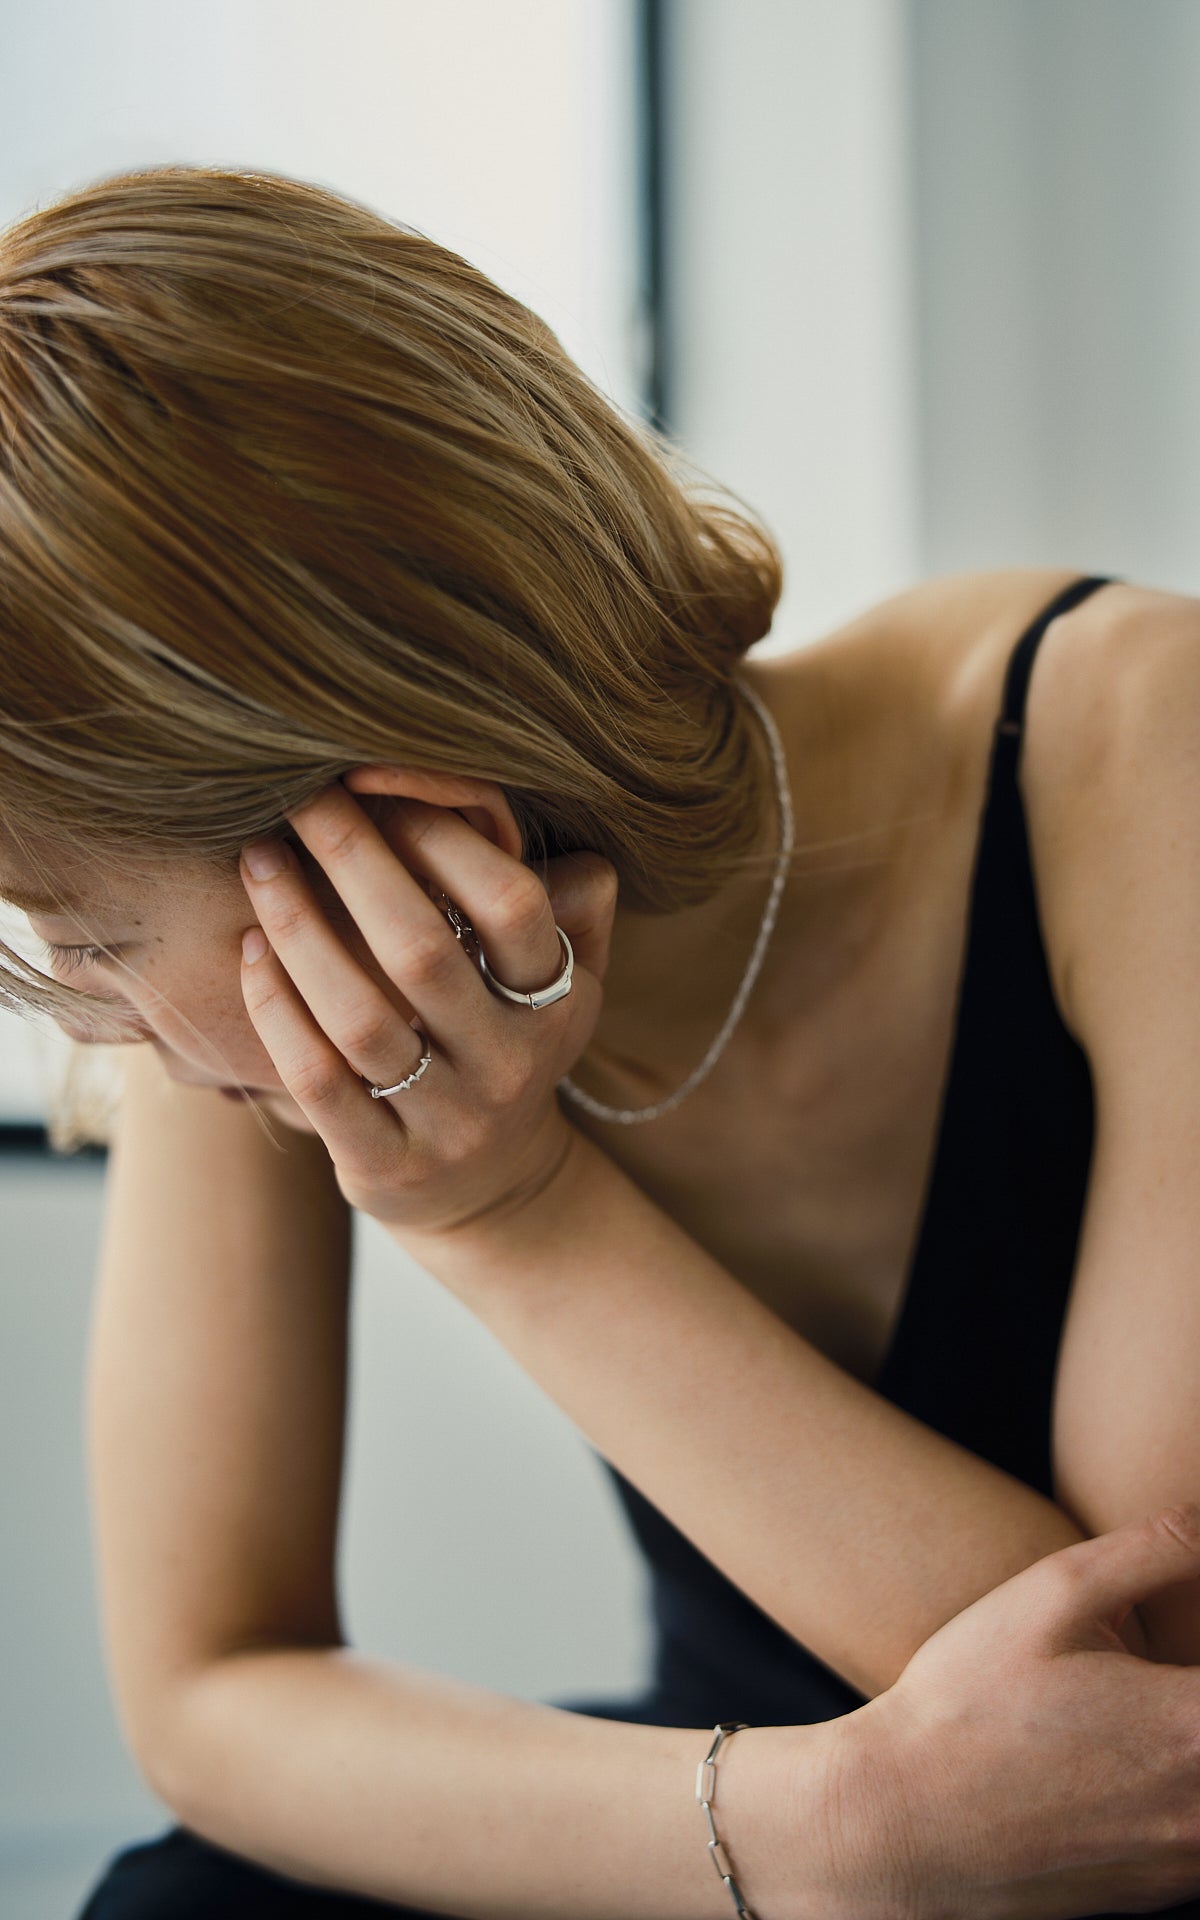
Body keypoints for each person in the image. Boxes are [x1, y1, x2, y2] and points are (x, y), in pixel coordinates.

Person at [1, 164, 1198, 1920]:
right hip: (782, 1800)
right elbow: (209, 1692)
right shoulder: (270, 1006)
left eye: (93, 939)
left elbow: (1143, 1717)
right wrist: (811, 1823)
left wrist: (509, 1216)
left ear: (404, 826)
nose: (91, 1009)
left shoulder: (1130, 751)